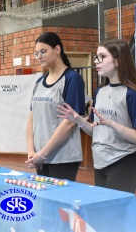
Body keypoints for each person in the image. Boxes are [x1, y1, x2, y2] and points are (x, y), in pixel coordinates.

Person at [57, 38, 136, 193]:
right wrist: (78, 119)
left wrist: (112, 123)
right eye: (96, 57)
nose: (96, 61)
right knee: (103, 214)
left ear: (118, 60)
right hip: (100, 163)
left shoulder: (133, 94)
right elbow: (97, 131)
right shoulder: (100, 91)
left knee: (115, 216)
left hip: (123, 163)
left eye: (102, 56)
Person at [25, 32, 86, 181]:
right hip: (40, 158)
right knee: (46, 202)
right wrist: (32, 151)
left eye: (43, 51)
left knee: (61, 203)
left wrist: (43, 153)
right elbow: (31, 120)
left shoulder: (72, 79)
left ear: (57, 49)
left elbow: (70, 123)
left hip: (63, 158)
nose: (39, 56)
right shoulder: (39, 82)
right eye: (36, 53)